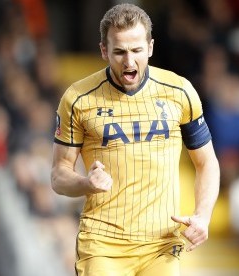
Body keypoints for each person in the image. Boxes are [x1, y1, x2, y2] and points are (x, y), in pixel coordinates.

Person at [50, 3, 220, 276]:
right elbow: (59, 175)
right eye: (119, 52)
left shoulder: (180, 92)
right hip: (103, 244)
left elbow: (207, 163)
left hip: (161, 243)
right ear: (104, 50)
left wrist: (203, 216)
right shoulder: (77, 99)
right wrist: (85, 183)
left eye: (137, 50)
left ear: (150, 47)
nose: (129, 62)